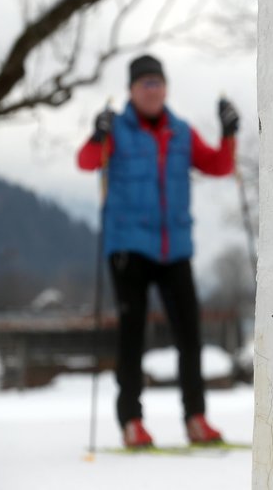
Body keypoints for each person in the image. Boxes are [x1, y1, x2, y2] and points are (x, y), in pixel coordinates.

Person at [77, 54, 239, 448]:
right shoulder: (115, 129)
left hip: (174, 249)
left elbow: (219, 166)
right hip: (128, 248)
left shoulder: (181, 132)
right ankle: (132, 421)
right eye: (144, 84)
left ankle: (196, 418)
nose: (152, 90)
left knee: (190, 335)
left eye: (157, 83)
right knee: (132, 336)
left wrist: (229, 132)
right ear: (131, 90)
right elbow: (85, 162)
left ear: (166, 88)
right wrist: (97, 135)